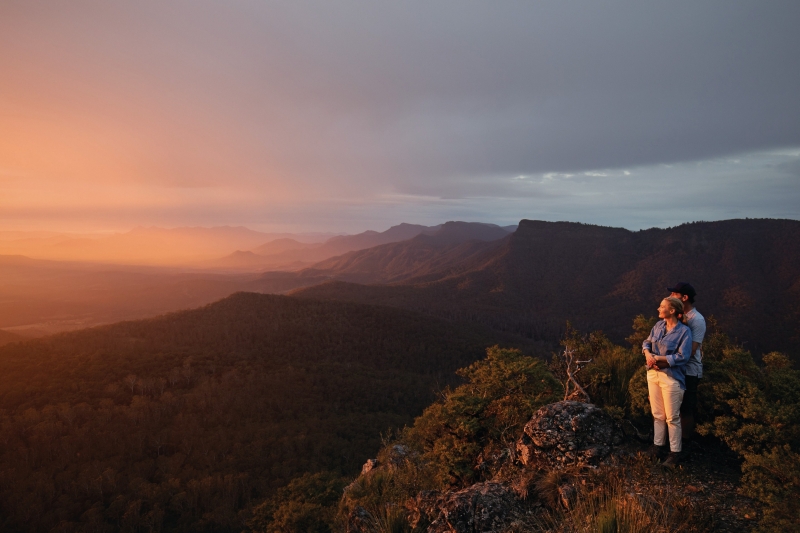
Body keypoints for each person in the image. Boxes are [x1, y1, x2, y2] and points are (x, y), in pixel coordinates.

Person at [643, 296, 693, 466]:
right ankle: (657, 446)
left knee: (672, 417)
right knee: (658, 414)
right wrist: (649, 355)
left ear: (672, 311)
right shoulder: (658, 326)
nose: (658, 308)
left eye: (662, 306)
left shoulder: (684, 332)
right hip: (653, 374)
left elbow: (682, 356)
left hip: (671, 378)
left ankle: (674, 453)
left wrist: (658, 358)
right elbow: (647, 342)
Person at [668, 282, 706, 454]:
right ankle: (669, 441)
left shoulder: (697, 320)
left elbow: (691, 351)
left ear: (684, 298)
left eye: (674, 294)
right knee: (671, 407)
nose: (670, 297)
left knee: (686, 409)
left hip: (689, 370)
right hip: (675, 368)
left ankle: (684, 444)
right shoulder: (676, 315)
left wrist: (665, 358)